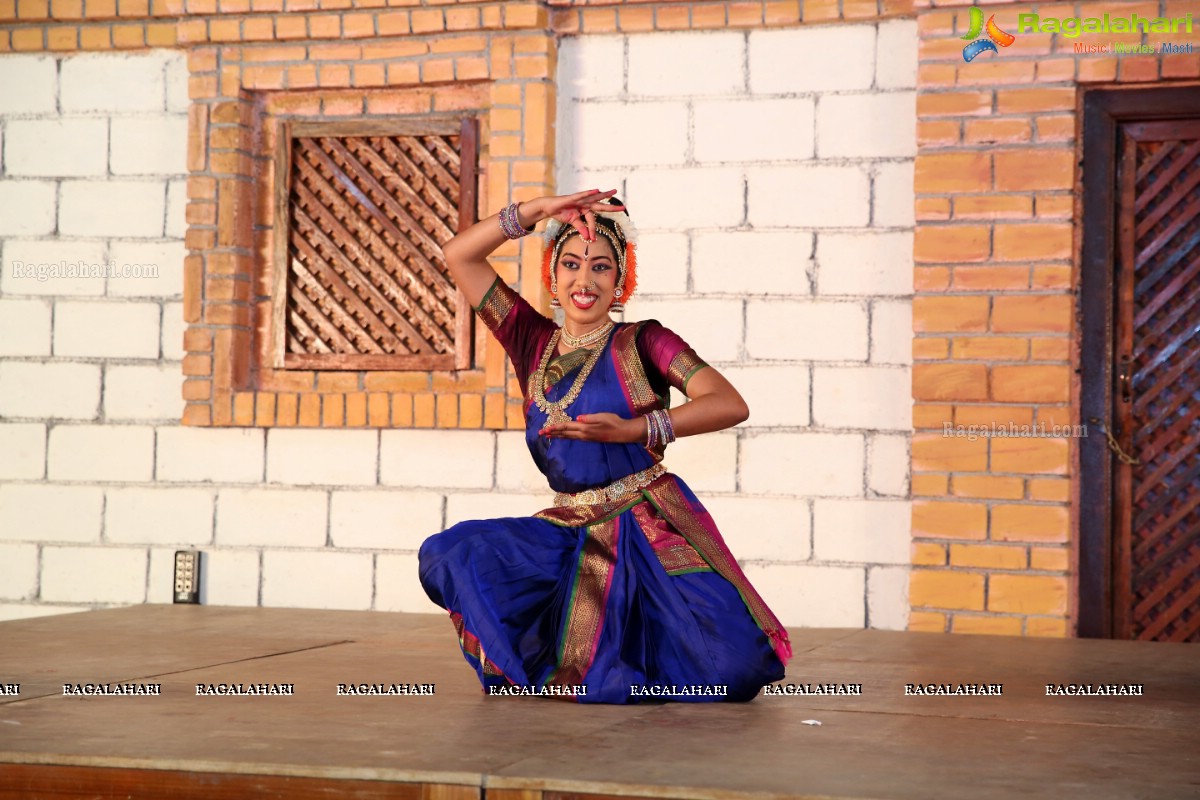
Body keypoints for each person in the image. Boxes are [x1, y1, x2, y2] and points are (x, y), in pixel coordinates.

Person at [418, 189, 791, 703]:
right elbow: (459, 254)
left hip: (647, 523)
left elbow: (728, 402)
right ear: (553, 274)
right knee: (451, 552)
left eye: (600, 267)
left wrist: (633, 430)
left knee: (733, 670)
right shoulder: (531, 340)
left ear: (621, 280)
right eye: (571, 264)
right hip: (569, 531)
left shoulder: (645, 342)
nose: (584, 280)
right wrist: (538, 211)